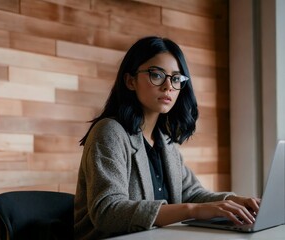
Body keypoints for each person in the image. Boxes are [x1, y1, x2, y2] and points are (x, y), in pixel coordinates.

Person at [73, 36, 260, 240]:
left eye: (176, 78)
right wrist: (192, 211)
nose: (168, 86)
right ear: (130, 81)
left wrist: (238, 201)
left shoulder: (165, 141)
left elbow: (192, 194)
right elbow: (108, 212)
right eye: (157, 75)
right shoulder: (109, 132)